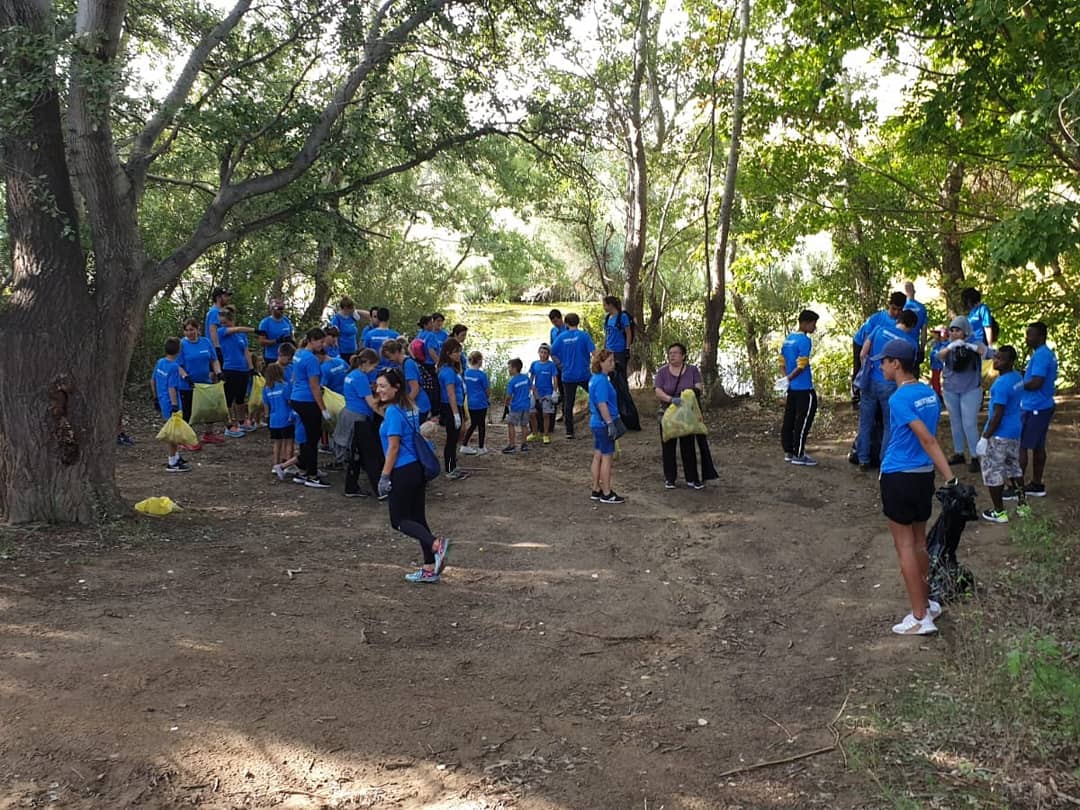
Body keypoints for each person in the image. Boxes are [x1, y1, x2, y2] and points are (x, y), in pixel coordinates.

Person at [874, 338, 955, 635]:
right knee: (919, 542)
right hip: (922, 476)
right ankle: (927, 603)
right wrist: (946, 476)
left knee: (904, 546)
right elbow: (930, 441)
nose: (881, 366)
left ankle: (920, 616)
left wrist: (951, 477)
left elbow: (927, 438)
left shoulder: (899, 398)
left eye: (884, 361)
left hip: (899, 475)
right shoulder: (930, 393)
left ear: (896, 364)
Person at [375, 368, 451, 584]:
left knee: (398, 520)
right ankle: (428, 568)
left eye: (383, 386)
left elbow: (394, 447)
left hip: (402, 470)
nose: (379, 390)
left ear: (396, 387)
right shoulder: (409, 406)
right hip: (417, 469)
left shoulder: (393, 412)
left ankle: (437, 545)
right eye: (378, 385)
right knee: (418, 519)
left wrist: (384, 476)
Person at [856, 309, 918, 470]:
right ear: (911, 326)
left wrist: (870, 369)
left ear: (899, 319)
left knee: (865, 422)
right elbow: (908, 370)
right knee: (889, 424)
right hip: (891, 385)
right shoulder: (910, 343)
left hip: (869, 382)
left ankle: (863, 459)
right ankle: (885, 461)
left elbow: (863, 353)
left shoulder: (878, 329)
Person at [654, 342, 718, 489]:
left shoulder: (692, 370)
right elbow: (658, 391)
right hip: (668, 412)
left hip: (686, 414)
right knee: (668, 446)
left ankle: (692, 478)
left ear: (683, 356)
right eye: (670, 353)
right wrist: (671, 399)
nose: (672, 356)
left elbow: (698, 387)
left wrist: (688, 395)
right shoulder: (662, 372)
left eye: (675, 353)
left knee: (688, 445)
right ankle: (670, 478)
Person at [977, 346, 1030, 523]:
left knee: (993, 471)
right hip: (1015, 430)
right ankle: (1023, 505)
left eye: (1000, 359)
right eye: (996, 357)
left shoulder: (1000, 385)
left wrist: (985, 437)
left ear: (1010, 362)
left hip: (999, 433)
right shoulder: (1017, 377)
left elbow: (997, 415)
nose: (996, 361)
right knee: (1014, 467)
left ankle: (999, 511)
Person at [1011, 322, 1057, 499]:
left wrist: (1017, 386)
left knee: (1022, 446)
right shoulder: (1042, 354)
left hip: (1035, 407)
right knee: (1038, 446)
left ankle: (1018, 488)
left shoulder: (1042, 356)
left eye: (1030, 335)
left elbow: (1037, 382)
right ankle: (1036, 484)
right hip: (1040, 405)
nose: (1027, 338)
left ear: (1041, 336)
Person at [936, 316, 988, 472]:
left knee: (969, 423)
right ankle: (959, 452)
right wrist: (951, 347)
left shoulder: (975, 343)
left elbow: (988, 353)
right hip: (951, 389)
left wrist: (969, 346)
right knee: (955, 423)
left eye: (957, 329)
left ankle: (975, 456)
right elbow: (938, 356)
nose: (954, 332)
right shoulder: (947, 345)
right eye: (951, 330)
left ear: (965, 331)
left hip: (970, 389)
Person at [288, 327, 333, 488]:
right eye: (321, 342)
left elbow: (295, 377)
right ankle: (312, 475)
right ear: (312, 340)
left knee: (306, 438)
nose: (322, 345)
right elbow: (314, 387)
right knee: (313, 439)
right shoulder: (312, 360)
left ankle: (304, 470)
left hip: (296, 398)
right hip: (307, 400)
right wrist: (323, 409)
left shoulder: (299, 354)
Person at [338, 349, 384, 498]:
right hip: (358, 418)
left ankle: (351, 486)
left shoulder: (352, 374)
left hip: (349, 413)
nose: (373, 370)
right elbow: (371, 403)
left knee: (355, 454)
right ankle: (379, 489)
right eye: (373, 366)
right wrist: (387, 416)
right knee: (369, 454)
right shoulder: (360, 377)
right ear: (366, 363)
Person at [779, 310, 820, 466]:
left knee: (789, 419)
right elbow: (801, 365)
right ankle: (799, 454)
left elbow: (781, 361)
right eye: (813, 324)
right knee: (803, 421)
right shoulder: (804, 340)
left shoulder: (788, 339)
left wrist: (785, 379)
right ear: (805, 323)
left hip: (792, 389)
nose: (814, 327)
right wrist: (789, 378)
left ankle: (789, 451)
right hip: (804, 389)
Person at [851, 291, 906, 403]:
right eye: (893, 309)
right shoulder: (876, 318)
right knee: (860, 366)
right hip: (861, 342)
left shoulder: (901, 322)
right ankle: (857, 393)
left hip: (881, 346)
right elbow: (868, 341)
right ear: (889, 305)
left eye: (899, 310)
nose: (896, 312)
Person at [178, 317, 223, 447]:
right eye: (186, 330)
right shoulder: (182, 345)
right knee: (188, 412)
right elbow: (179, 365)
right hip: (188, 384)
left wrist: (219, 372)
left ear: (197, 329)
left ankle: (208, 434)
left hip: (205, 382)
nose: (189, 333)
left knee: (209, 409)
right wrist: (186, 377)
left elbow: (214, 360)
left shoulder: (206, 342)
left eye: (191, 330)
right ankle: (185, 438)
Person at [550, 313, 595, 439]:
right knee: (596, 394)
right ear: (578, 322)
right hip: (584, 374)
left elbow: (552, 352)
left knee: (568, 403)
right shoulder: (584, 336)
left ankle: (569, 431)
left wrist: (560, 365)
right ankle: (601, 421)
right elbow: (594, 352)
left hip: (568, 375)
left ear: (566, 323)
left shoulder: (561, 337)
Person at [589, 350, 624, 504]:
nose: (613, 363)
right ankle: (607, 492)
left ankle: (596, 488)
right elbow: (602, 404)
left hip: (596, 422)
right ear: (601, 363)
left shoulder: (595, 379)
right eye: (610, 361)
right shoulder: (602, 381)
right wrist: (610, 423)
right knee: (607, 458)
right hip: (603, 424)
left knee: (598, 455)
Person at [151, 337, 191, 473]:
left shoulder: (160, 362)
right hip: (170, 402)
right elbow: (172, 387)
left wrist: (155, 397)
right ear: (179, 350)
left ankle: (176, 456)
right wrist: (174, 405)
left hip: (162, 400)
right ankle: (172, 462)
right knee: (173, 433)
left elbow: (153, 380)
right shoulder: (173, 367)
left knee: (172, 430)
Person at [217, 306, 256, 437]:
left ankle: (241, 421)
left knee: (240, 397)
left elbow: (246, 351)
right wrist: (255, 330)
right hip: (230, 368)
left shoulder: (241, 335)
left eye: (225, 322)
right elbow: (237, 329)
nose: (223, 325)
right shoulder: (222, 332)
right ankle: (229, 425)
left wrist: (251, 368)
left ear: (231, 320)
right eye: (221, 322)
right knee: (228, 398)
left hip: (242, 369)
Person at [436, 338, 468, 479]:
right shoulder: (448, 371)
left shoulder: (451, 368)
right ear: (448, 353)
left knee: (453, 438)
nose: (458, 354)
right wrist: (455, 414)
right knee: (451, 439)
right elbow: (450, 394)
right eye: (455, 352)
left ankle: (453, 465)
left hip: (456, 406)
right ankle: (450, 469)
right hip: (450, 407)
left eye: (459, 351)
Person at [262, 362, 295, 480]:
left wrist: (267, 417)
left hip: (273, 419)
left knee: (277, 443)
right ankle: (287, 464)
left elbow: (266, 405)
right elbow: (290, 401)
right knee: (289, 442)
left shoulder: (266, 389)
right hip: (286, 417)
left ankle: (275, 464)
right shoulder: (285, 386)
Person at [528, 343, 559, 445]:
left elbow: (555, 379)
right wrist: (529, 389)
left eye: (545, 353)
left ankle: (546, 434)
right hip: (536, 392)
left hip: (548, 393)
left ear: (548, 354)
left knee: (546, 414)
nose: (543, 354)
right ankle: (535, 433)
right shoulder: (534, 364)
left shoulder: (551, 365)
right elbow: (531, 378)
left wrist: (555, 392)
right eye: (541, 352)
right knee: (532, 413)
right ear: (538, 352)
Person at [461, 351, 490, 455]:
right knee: (481, 425)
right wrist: (488, 398)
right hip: (481, 403)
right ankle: (481, 447)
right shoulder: (482, 375)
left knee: (473, 423)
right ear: (479, 361)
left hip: (470, 402)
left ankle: (464, 444)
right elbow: (487, 390)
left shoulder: (466, 373)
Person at [503, 358, 532, 453]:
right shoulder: (526, 378)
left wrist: (506, 404)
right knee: (524, 425)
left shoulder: (512, 382)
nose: (508, 370)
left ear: (514, 368)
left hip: (516, 407)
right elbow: (533, 388)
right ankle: (524, 445)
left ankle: (512, 445)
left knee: (511, 424)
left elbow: (508, 396)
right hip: (526, 406)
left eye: (509, 368)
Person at [328, 296, 367, 363]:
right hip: (343, 351)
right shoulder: (337, 319)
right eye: (351, 308)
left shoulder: (352, 316)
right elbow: (333, 335)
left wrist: (355, 310)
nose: (352, 310)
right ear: (345, 308)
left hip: (353, 349)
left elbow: (367, 315)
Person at [602, 295, 632, 377]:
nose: (604, 307)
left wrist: (627, 349)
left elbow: (628, 333)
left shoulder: (622, 317)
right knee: (611, 375)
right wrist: (604, 348)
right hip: (609, 351)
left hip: (619, 350)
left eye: (605, 305)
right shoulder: (607, 318)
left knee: (621, 375)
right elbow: (607, 334)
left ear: (611, 305)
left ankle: (623, 390)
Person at [257, 299, 293, 364]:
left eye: (282, 308)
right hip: (271, 358)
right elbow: (261, 342)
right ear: (272, 309)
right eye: (278, 308)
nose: (281, 310)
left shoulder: (286, 321)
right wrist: (277, 340)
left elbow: (292, 337)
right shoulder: (265, 323)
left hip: (287, 358)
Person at [903, 282, 928, 363]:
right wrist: (922, 348)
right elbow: (924, 331)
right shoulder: (922, 308)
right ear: (914, 291)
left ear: (905, 292)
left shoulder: (901, 307)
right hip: (914, 347)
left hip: (901, 345)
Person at [204, 286, 231, 364]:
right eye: (225, 296)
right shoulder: (215, 312)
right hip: (215, 351)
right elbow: (213, 331)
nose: (228, 298)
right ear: (218, 298)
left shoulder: (217, 311)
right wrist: (217, 349)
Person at [928, 326, 949, 398]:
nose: (934, 335)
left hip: (939, 366)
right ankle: (937, 394)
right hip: (934, 365)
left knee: (938, 381)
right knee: (935, 381)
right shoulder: (935, 343)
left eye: (936, 333)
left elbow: (941, 355)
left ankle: (939, 395)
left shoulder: (944, 344)